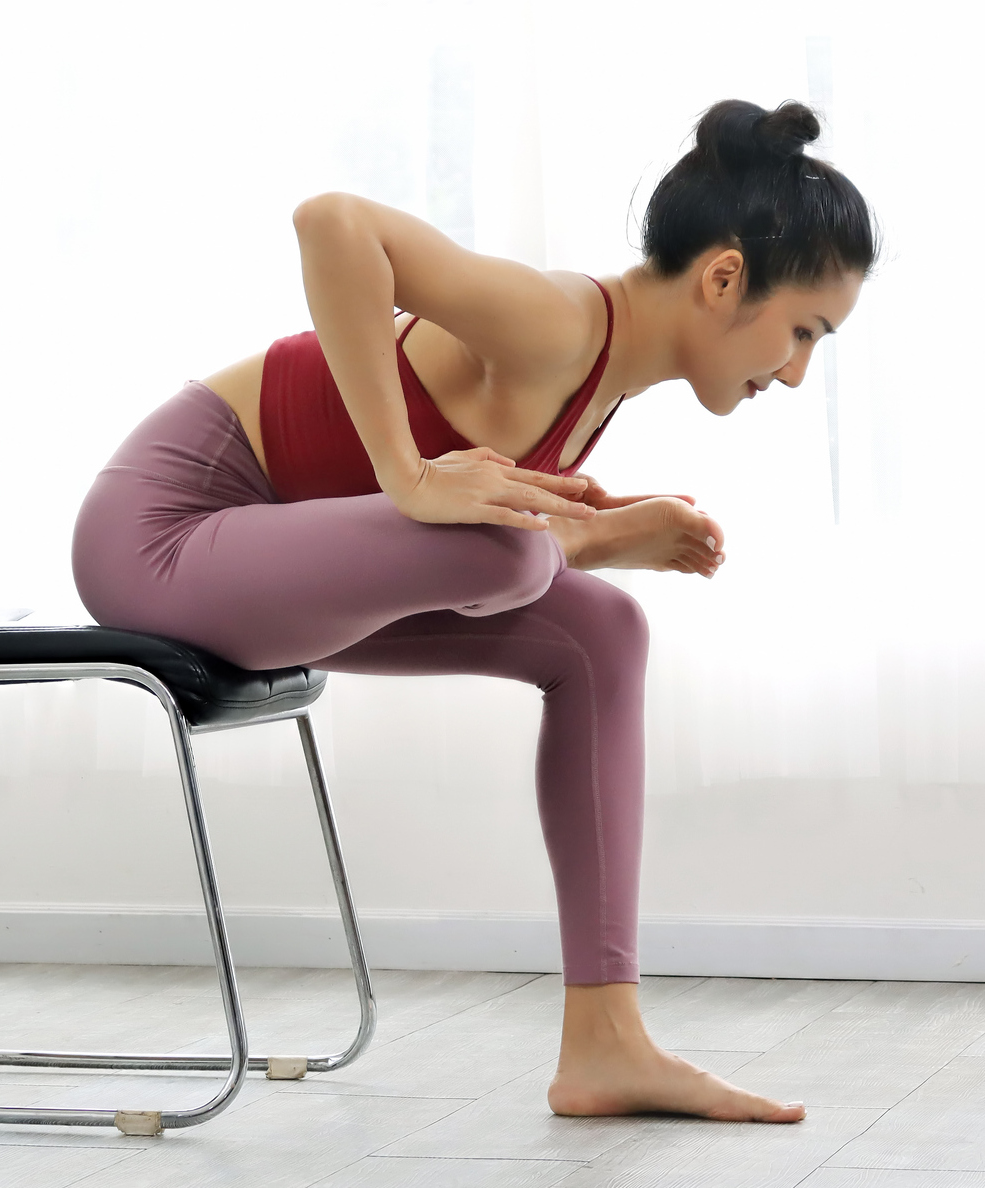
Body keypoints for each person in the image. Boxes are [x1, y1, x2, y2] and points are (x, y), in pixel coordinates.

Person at [73, 98, 876, 1122]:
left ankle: (606, 1044)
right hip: (163, 535)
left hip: (272, 560)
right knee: (510, 548)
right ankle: (571, 542)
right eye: (804, 330)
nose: (799, 371)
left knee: (601, 631)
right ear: (725, 279)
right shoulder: (558, 322)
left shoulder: (601, 381)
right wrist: (408, 476)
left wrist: (554, 532)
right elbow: (333, 221)